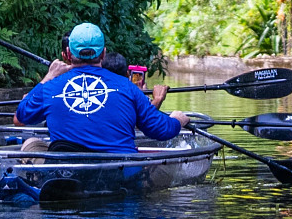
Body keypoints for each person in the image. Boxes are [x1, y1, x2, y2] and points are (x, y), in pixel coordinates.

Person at [15, 23, 182, 154]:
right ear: (103, 53)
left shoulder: (50, 87)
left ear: (68, 52)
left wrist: (48, 77)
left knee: (31, 145)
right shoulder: (128, 87)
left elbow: (22, 115)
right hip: (120, 176)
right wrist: (178, 120)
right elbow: (162, 130)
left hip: (68, 175)